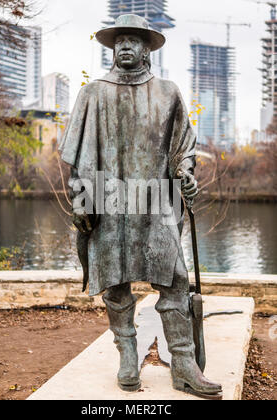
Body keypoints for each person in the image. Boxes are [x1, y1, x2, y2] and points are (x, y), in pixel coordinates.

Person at [60, 14, 222, 398]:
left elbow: (183, 147)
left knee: (175, 281)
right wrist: (82, 200)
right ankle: (127, 356)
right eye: (119, 41)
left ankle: (183, 364)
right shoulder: (92, 93)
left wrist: (186, 172)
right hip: (108, 200)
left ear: (148, 48)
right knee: (115, 284)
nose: (125, 47)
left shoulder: (167, 93)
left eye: (133, 40)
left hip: (156, 202)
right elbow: (78, 158)